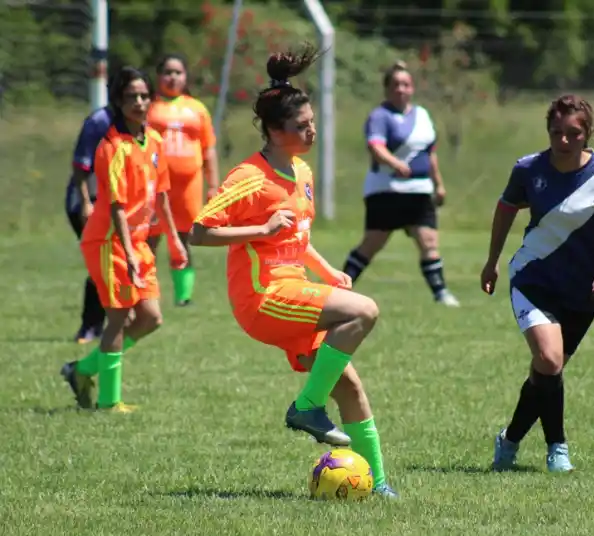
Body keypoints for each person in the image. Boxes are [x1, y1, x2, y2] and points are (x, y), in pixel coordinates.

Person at [190, 45, 399, 498]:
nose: (311, 131)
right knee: (364, 312)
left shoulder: (300, 170)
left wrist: (326, 270)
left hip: (295, 288)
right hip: (262, 298)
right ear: (272, 130)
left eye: (311, 122)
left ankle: (378, 485)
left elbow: (298, 236)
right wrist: (259, 227)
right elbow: (199, 232)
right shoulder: (248, 177)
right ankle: (306, 406)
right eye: (300, 126)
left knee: (348, 382)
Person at [480, 94, 594, 473]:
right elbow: (506, 209)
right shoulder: (528, 169)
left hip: (582, 292)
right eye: (557, 132)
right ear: (548, 131)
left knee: (544, 372)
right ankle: (558, 448)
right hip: (532, 278)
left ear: (588, 133)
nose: (565, 140)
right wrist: (492, 262)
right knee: (550, 360)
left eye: (574, 133)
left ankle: (509, 441)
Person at [60, 66, 188, 413]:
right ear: (118, 100)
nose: (139, 102)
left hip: (138, 241)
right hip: (108, 241)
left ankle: (81, 370)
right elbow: (116, 206)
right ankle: (108, 401)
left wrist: (175, 242)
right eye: (131, 96)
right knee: (117, 318)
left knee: (150, 318)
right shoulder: (113, 147)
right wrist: (129, 253)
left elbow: (161, 197)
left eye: (144, 95)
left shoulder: (155, 142)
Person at [341, 61, 459, 307]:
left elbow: (430, 154)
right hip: (387, 190)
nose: (401, 90)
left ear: (412, 88)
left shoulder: (423, 115)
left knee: (428, 241)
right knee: (372, 244)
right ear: (386, 89)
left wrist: (439, 184)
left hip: (419, 191)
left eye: (405, 84)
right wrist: (396, 164)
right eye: (395, 85)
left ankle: (441, 293)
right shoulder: (380, 116)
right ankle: (339, 288)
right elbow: (375, 147)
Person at [146, 53, 220, 306]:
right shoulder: (148, 107)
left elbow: (209, 148)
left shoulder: (197, 108)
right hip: (154, 187)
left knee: (183, 239)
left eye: (178, 72)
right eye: (167, 72)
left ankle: (183, 296)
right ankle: (146, 291)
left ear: (186, 77)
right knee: (149, 239)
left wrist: (213, 185)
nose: (173, 77)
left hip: (188, 187)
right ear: (158, 77)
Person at [65, 103, 114, 343]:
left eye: (143, 96)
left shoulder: (143, 122)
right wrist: (86, 202)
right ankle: (90, 326)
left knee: (114, 265)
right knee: (100, 264)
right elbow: (81, 165)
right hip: (89, 202)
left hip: (117, 205)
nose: (138, 101)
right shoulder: (99, 121)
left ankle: (115, 322)